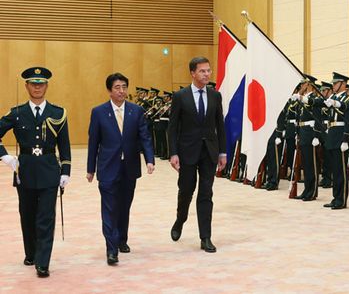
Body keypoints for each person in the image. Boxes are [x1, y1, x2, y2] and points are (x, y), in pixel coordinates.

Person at [0, 67, 71, 277]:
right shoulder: (17, 113)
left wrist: (65, 170)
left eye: (41, 83)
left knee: (46, 218)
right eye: (33, 83)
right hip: (25, 172)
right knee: (28, 216)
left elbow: (64, 145)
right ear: (27, 86)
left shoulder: (58, 113)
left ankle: (43, 261)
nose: (37, 87)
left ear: (47, 86)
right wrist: (4, 156)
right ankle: (31, 252)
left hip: (50, 171)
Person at [87, 73, 155, 265]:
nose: (121, 91)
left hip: (129, 167)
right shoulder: (99, 112)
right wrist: (90, 168)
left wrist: (149, 159)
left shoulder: (137, 111)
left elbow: (145, 137)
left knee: (124, 205)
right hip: (108, 167)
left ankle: (121, 239)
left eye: (124, 87)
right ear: (109, 90)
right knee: (109, 208)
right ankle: (111, 248)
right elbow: (94, 142)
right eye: (117, 87)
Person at [168, 56, 226, 253]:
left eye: (208, 70)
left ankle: (205, 237)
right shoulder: (180, 96)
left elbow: (220, 125)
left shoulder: (215, 96)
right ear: (192, 73)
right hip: (187, 152)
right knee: (186, 190)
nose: (207, 74)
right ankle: (180, 220)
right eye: (202, 71)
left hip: (209, 151)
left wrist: (223, 152)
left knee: (206, 193)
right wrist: (173, 153)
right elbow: (173, 127)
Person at [322, 72, 349, 209]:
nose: (333, 85)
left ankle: (341, 199)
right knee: (335, 170)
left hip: (341, 137)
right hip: (332, 136)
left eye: (335, 83)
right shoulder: (333, 98)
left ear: (343, 84)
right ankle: (335, 197)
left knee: (341, 171)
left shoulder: (347, 101)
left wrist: (346, 139)